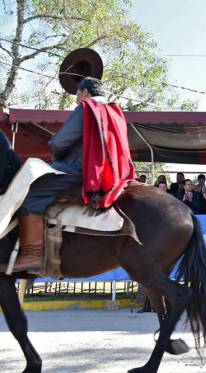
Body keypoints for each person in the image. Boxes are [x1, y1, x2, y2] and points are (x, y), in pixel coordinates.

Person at [3, 77, 135, 273]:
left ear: (85, 93)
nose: (76, 98)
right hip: (107, 175)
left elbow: (60, 143)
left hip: (76, 170)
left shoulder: (86, 108)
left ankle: (32, 255)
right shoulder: (115, 112)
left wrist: (57, 150)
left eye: (77, 93)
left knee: (28, 195)